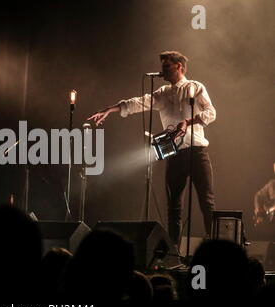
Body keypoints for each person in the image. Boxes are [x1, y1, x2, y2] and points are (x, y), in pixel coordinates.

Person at [88, 51, 216, 246]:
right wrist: (110, 109)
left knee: (206, 202)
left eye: (167, 66)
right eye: (162, 66)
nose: (162, 70)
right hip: (174, 153)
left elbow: (211, 113)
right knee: (174, 206)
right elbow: (139, 102)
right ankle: (174, 251)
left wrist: (188, 121)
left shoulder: (195, 87)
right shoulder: (163, 93)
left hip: (197, 151)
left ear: (179, 66)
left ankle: (216, 247)